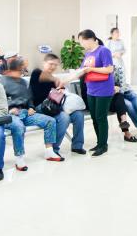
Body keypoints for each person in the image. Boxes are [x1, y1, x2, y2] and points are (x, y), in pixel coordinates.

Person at [0, 59, 62, 163]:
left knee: (50, 121)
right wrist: (10, 109)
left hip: (25, 113)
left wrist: (31, 107)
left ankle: (49, 152)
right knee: (19, 127)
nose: (21, 73)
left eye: (22, 71)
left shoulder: (23, 82)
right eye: (19, 71)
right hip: (10, 116)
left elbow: (29, 98)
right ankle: (19, 157)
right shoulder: (2, 83)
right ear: (10, 71)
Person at [30, 54, 86, 155]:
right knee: (64, 117)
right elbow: (46, 77)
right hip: (40, 108)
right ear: (44, 63)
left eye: (55, 65)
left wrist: (61, 90)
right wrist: (56, 80)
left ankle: (77, 146)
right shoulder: (37, 73)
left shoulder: (54, 79)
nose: (53, 67)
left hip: (54, 107)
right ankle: (53, 150)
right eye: (50, 64)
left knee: (78, 115)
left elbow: (60, 92)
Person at [78, 29, 114, 157]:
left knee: (100, 117)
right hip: (91, 90)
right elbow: (82, 70)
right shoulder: (88, 53)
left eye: (82, 41)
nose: (81, 44)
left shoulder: (103, 50)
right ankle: (99, 143)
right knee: (94, 118)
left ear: (90, 39)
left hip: (103, 90)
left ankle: (103, 145)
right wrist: (65, 80)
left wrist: (91, 69)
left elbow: (109, 69)